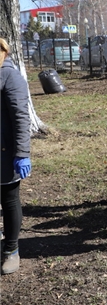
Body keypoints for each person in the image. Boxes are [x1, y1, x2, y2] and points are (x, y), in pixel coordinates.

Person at [0, 38, 32, 274]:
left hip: (5, 153)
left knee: (9, 200)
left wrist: (22, 153)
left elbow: (21, 118)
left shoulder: (11, 77)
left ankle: (11, 250)